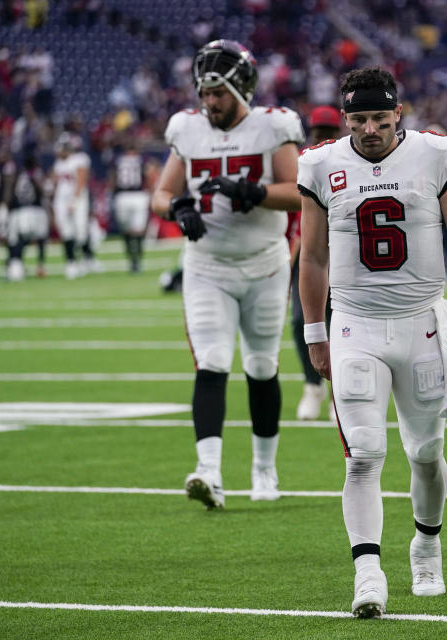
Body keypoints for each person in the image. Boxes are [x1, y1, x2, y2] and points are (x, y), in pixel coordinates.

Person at [297, 67, 447, 618]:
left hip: (423, 323)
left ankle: (427, 542)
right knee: (363, 456)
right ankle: (367, 572)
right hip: (355, 326)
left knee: (425, 452)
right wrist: (313, 332)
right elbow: (313, 256)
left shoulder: (435, 154)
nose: (369, 128)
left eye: (378, 117)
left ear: (398, 112)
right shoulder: (321, 164)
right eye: (358, 118)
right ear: (345, 118)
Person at [150, 39, 304, 508]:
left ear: (241, 89)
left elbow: (299, 191)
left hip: (263, 262)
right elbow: (161, 194)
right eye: (204, 92)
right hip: (207, 265)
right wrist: (177, 207)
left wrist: (252, 191)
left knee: (261, 365)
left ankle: (264, 470)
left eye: (217, 92)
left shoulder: (272, 127)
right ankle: (209, 472)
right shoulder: (188, 130)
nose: (209, 102)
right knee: (212, 362)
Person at [291, 105, 341, 421]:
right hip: (305, 249)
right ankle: (313, 385)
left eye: (328, 133)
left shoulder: (347, 160)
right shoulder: (302, 163)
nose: (322, 139)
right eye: (318, 133)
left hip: (342, 253)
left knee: (340, 323)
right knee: (301, 320)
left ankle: (340, 393)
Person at [0, 155, 49, 280]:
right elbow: (42, 193)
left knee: (18, 239)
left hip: (20, 211)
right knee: (40, 239)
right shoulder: (35, 175)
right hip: (36, 210)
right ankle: (40, 265)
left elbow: (9, 195)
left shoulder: (17, 176)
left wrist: (7, 209)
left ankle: (15, 264)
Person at [51, 132, 93, 279]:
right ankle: (71, 262)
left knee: (81, 231)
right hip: (61, 201)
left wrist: (75, 200)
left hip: (78, 199)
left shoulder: (80, 159)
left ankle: (87, 259)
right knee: (66, 232)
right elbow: (55, 183)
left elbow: (81, 180)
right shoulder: (58, 163)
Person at [111, 140, 151, 273]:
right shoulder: (141, 160)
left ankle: (131, 258)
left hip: (122, 196)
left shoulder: (118, 160)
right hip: (139, 195)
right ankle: (137, 260)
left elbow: (113, 178)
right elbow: (148, 176)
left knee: (126, 230)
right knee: (138, 230)